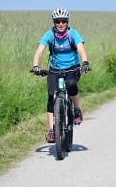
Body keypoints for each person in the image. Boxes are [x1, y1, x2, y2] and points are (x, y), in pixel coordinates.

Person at [31, 8, 89, 143]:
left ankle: (76, 109)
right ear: (54, 22)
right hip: (55, 69)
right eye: (58, 21)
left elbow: (80, 49)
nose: (61, 24)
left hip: (72, 68)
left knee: (71, 84)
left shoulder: (73, 33)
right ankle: (52, 131)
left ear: (67, 22)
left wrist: (85, 62)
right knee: (51, 96)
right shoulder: (49, 35)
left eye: (63, 21)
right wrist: (36, 66)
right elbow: (39, 52)